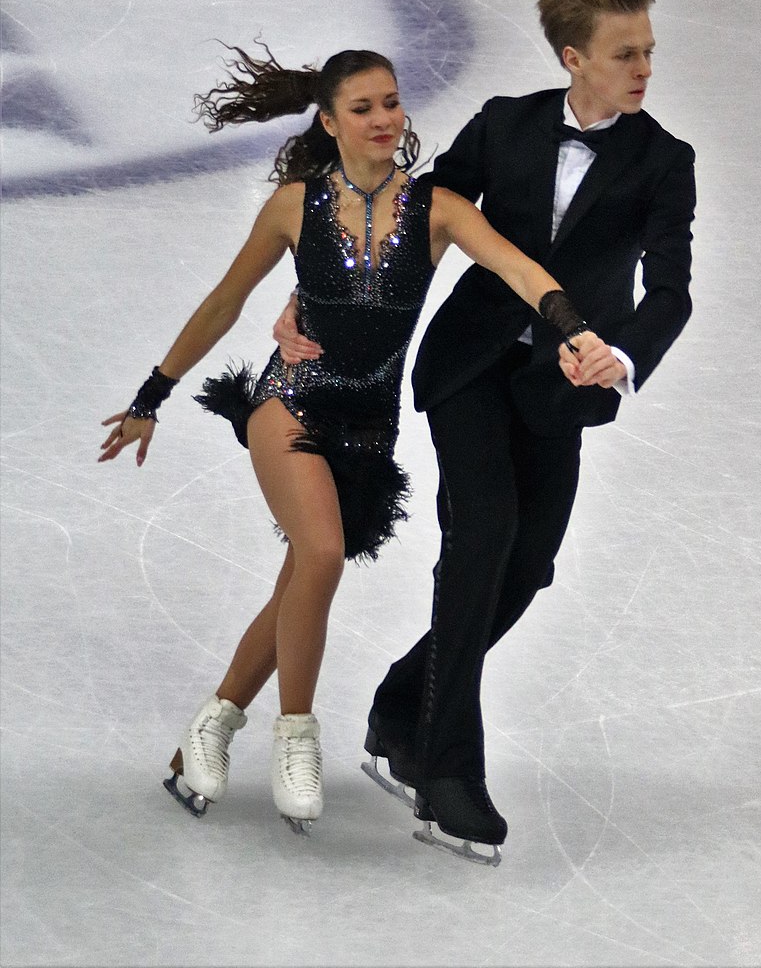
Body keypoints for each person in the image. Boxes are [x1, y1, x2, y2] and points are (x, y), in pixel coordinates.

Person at [98, 44, 609, 839]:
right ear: (330, 121)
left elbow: (517, 267)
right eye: (363, 108)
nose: (383, 119)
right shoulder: (293, 205)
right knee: (324, 555)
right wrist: (152, 395)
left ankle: (214, 721)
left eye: (392, 103)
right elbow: (223, 302)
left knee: (302, 573)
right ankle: (295, 736)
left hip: (368, 427)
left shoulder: (438, 207)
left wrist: (571, 329)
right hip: (291, 401)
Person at [274, 0, 697, 863]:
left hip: (563, 386)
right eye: (627, 54)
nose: (644, 70)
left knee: (529, 564)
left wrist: (620, 355)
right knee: (482, 536)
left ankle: (401, 702)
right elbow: (405, 210)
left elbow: (671, 290)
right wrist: (315, 295)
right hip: (468, 371)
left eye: (649, 53)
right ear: (574, 57)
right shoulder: (504, 128)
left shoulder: (664, 161)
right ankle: (446, 770)